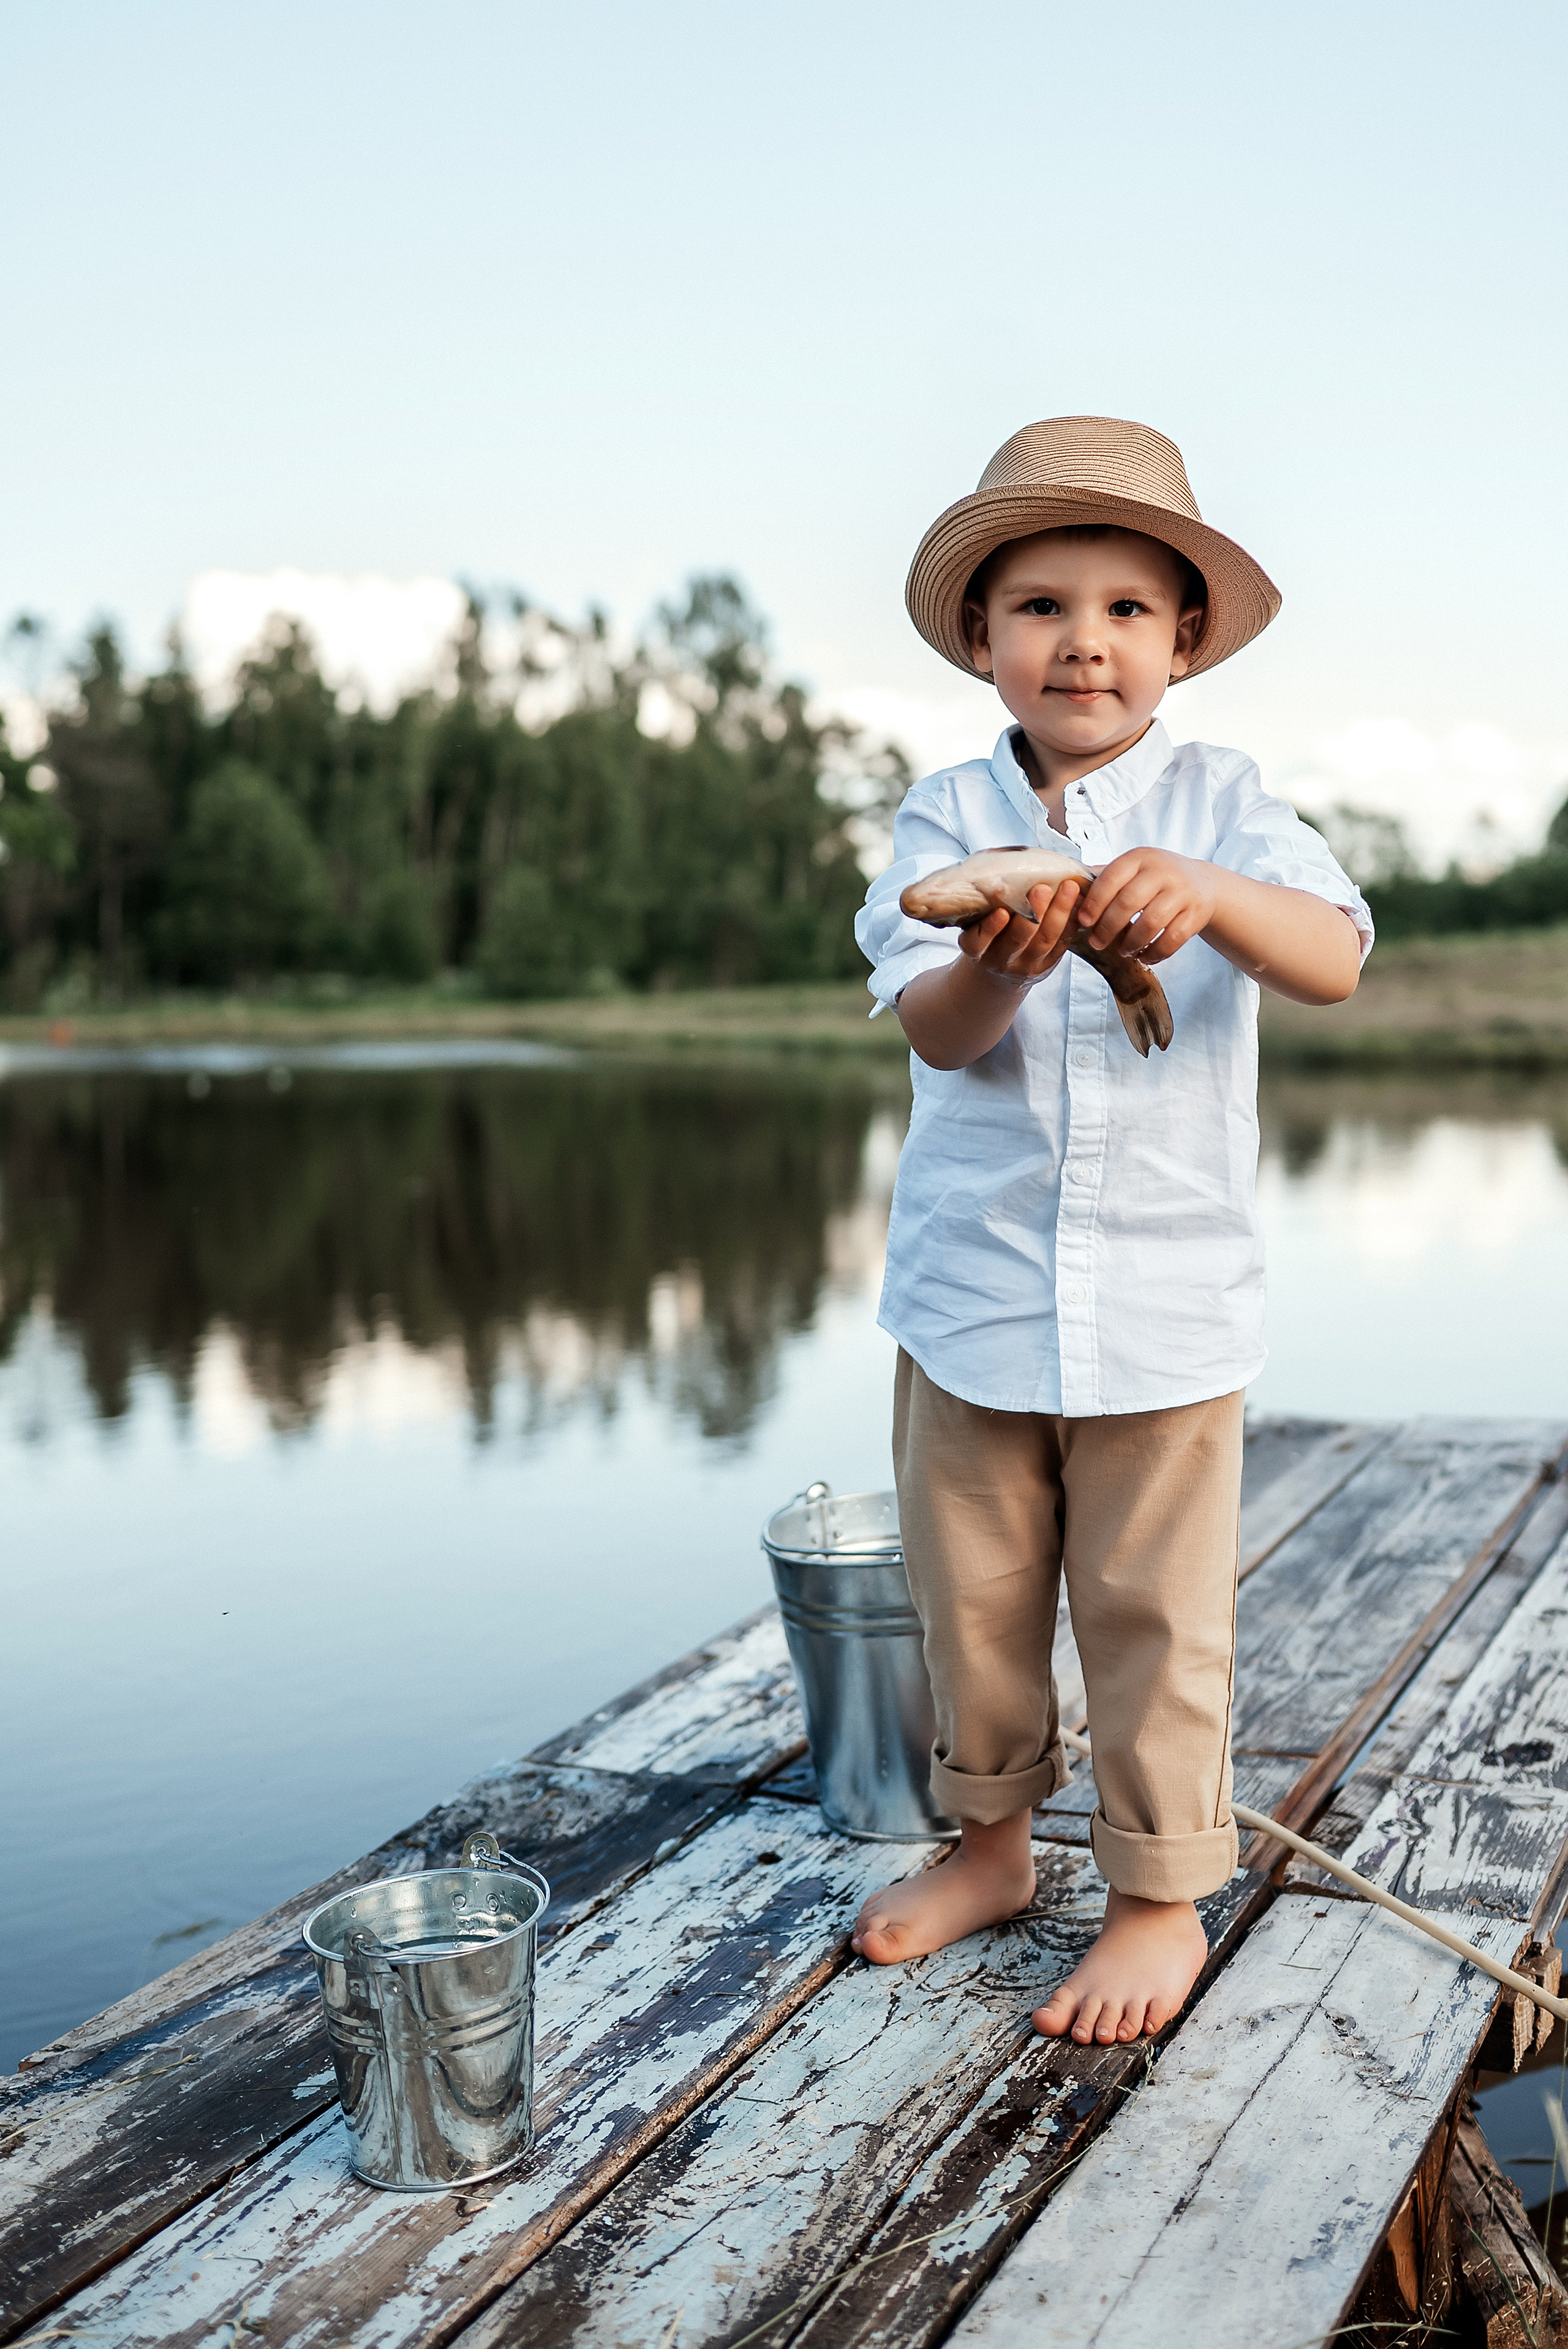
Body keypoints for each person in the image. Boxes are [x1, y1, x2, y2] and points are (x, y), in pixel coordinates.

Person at [851, 416, 1371, 2048]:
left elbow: (1337, 955)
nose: (1087, 638)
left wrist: (1206, 897)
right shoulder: (944, 815)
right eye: (1044, 606)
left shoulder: (1228, 804)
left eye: (1129, 608)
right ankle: (994, 1842)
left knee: (1157, 1610)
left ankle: (1157, 1892)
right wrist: (1012, 948)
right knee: (976, 1597)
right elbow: (938, 1026)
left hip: (1165, 1301)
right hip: (976, 1293)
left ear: (1185, 642)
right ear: (983, 641)